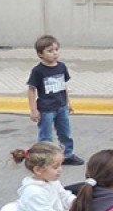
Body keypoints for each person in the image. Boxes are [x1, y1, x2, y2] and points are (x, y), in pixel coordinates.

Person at [27, 35, 83, 166]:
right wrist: (33, 110)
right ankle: (45, 159)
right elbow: (31, 89)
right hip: (46, 109)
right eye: (50, 51)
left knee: (65, 133)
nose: (55, 53)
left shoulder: (61, 67)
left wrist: (68, 102)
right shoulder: (38, 71)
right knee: (46, 136)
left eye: (56, 49)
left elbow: (63, 86)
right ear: (40, 54)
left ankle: (67, 155)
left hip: (61, 107)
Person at [9, 142, 75, 211]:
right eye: (55, 167)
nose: (60, 170)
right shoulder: (33, 192)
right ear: (38, 170)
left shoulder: (52, 181)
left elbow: (64, 196)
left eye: (60, 165)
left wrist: (78, 203)